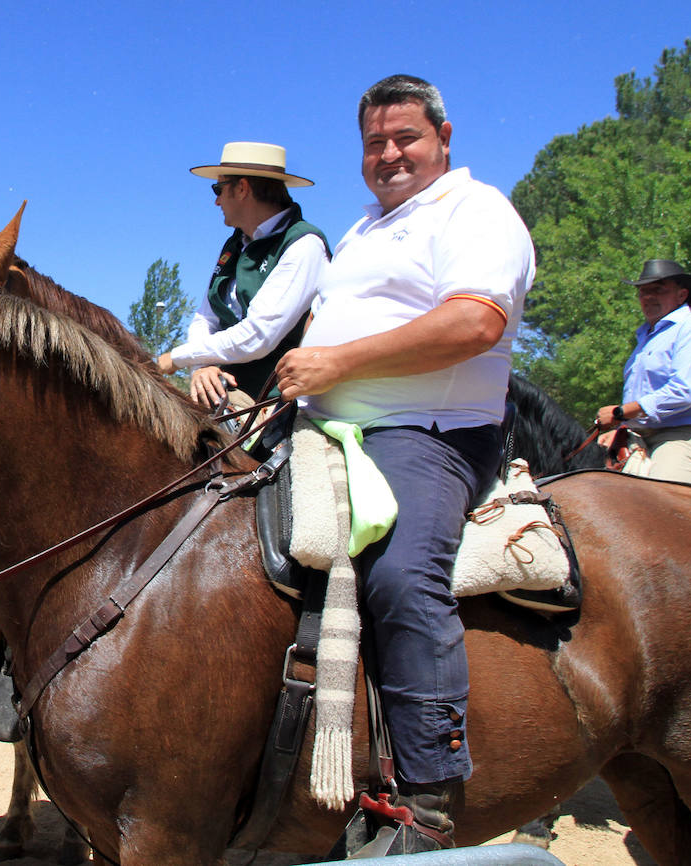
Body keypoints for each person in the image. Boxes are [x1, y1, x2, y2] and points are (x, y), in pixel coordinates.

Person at [274, 75, 534, 851]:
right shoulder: (361, 230)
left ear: (443, 140)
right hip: (323, 426)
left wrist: (334, 364)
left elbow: (473, 322)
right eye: (374, 143)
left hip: (430, 432)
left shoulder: (476, 211)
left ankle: (429, 798)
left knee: (398, 573)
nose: (388, 155)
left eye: (405, 139)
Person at [157, 142, 328, 409]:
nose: (216, 200)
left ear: (242, 188)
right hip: (227, 397)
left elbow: (258, 336)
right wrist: (202, 367)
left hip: (274, 404)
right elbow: (206, 317)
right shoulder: (234, 244)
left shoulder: (304, 245)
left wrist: (176, 358)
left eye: (219, 189)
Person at [595, 259, 691, 485]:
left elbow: (685, 391)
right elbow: (641, 395)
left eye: (658, 289)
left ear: (682, 295)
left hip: (690, 434)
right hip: (642, 434)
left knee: (663, 494)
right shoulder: (645, 338)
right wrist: (622, 425)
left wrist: (620, 413)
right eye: (642, 291)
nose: (647, 297)